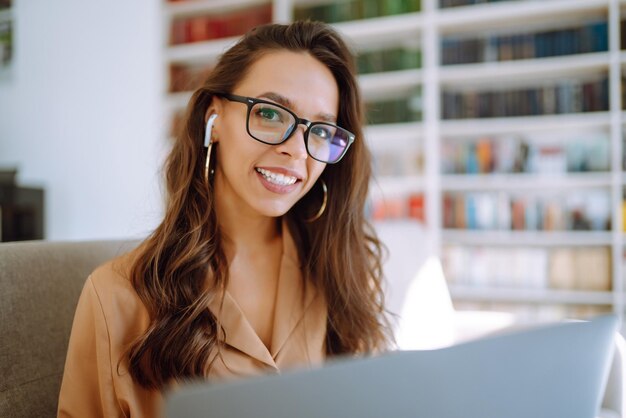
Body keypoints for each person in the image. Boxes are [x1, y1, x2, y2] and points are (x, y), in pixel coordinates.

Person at [57, 20, 390, 417]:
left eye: (320, 130)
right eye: (270, 113)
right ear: (214, 121)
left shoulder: (343, 272)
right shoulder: (116, 296)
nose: (296, 151)